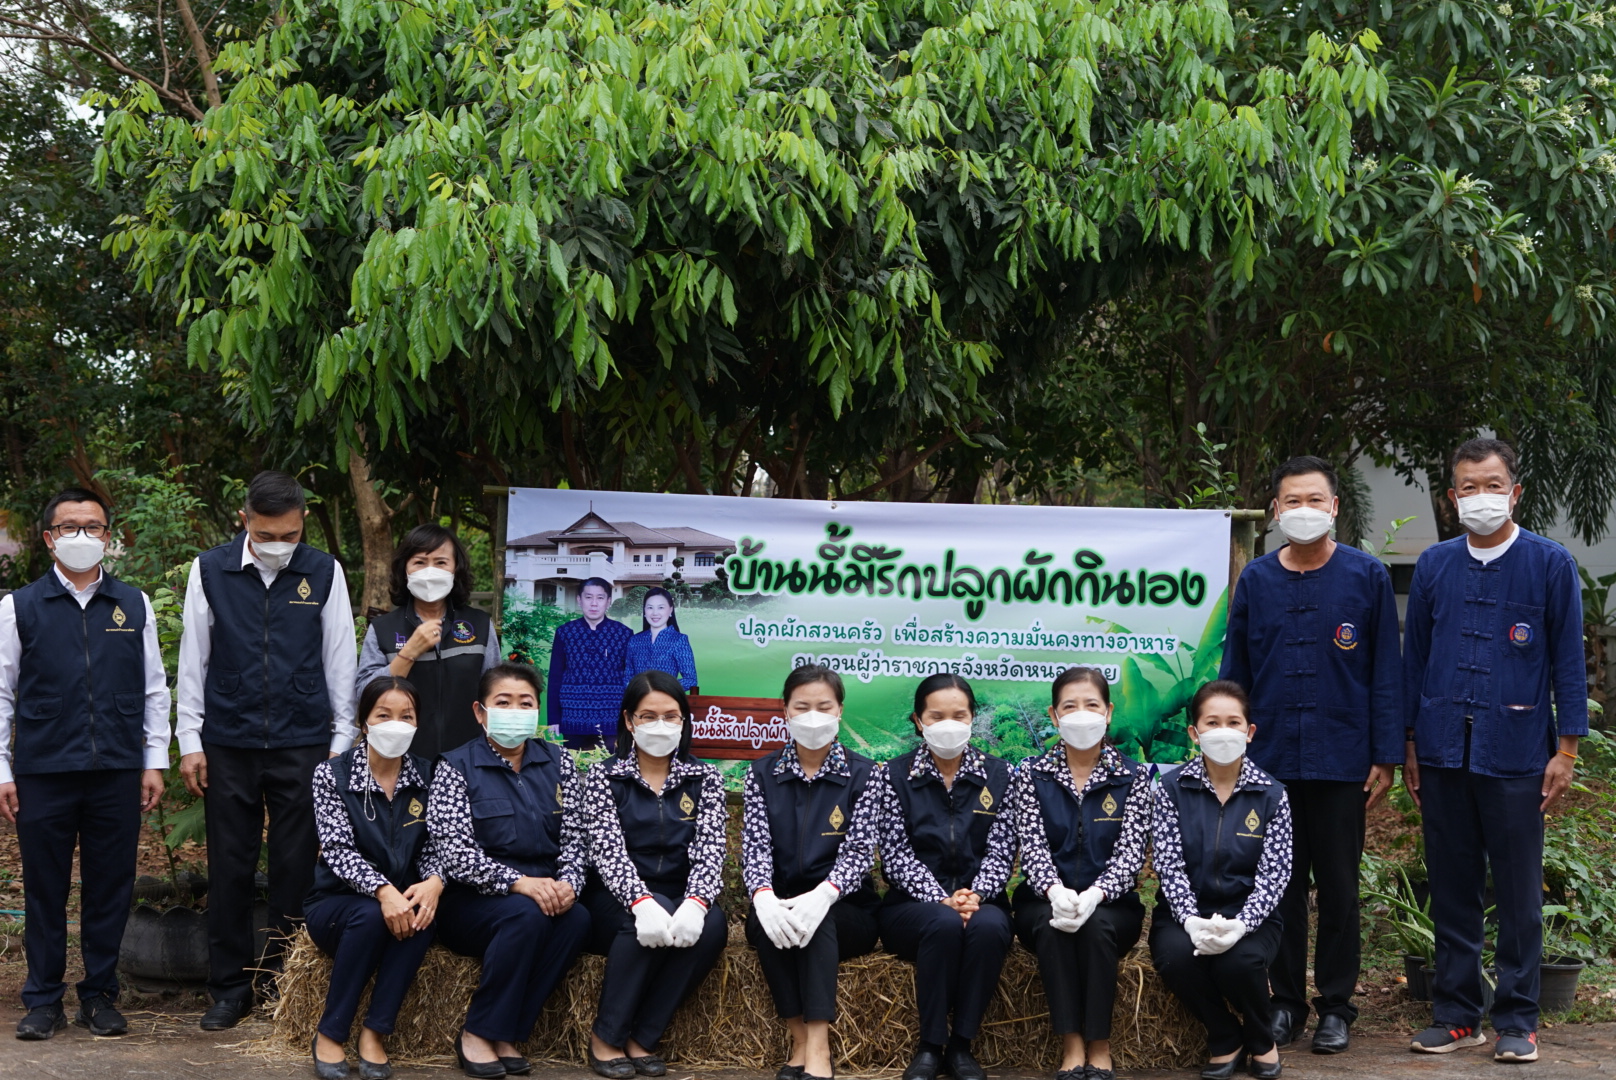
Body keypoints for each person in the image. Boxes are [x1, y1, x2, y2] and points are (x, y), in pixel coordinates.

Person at [1402, 438, 1586, 1064]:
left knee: (1517, 891)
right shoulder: (1434, 565)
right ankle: (1457, 1014)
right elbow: (1415, 660)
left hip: (1517, 752)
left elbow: (1567, 660)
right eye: (1468, 488)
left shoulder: (1549, 563)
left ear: (1515, 490)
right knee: (1451, 887)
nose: (1481, 497)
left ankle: (1518, 1018)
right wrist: (1408, 740)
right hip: (1443, 749)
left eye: (1493, 484)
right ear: (1453, 497)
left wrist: (1565, 749)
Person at [1218, 455, 1403, 1054]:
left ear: (1334, 508)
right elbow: (1235, 673)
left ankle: (1337, 1006)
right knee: (1280, 887)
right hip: (1269, 764)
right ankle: (1286, 1004)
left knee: (1341, 888)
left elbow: (1385, 673)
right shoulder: (1258, 581)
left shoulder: (1366, 578)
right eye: (1291, 502)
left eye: (1314, 501)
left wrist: (1385, 753)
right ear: (1276, 511)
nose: (1303, 512)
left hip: (1342, 759)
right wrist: (1230, 745)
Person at [176, 470, 359, 1029]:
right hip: (228, 741)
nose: (280, 544)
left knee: (294, 867)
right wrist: (190, 740)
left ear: (302, 522)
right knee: (228, 865)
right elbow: (193, 659)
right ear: (245, 519)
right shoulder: (210, 570)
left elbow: (340, 658)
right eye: (268, 533)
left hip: (304, 744)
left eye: (291, 534)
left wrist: (340, 742)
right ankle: (228, 988)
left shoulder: (324, 571)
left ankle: (283, 980)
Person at [0, 489, 170, 1040]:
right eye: (70, 526)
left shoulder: (133, 604)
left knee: (110, 885)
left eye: (93, 527)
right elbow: (1, 694)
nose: (82, 536)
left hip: (116, 770)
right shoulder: (18, 607)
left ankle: (99, 995)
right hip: (43, 771)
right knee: (45, 888)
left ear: (108, 538)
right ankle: (43, 999)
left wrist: (154, 760)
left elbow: (154, 690)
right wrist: (2, 770)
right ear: (49, 538)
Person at [426, 662, 592, 1078]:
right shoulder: (455, 766)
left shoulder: (561, 763)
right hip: (473, 901)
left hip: (544, 889)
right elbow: (454, 853)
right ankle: (478, 1032)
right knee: (525, 915)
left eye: (526, 703)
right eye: (503, 702)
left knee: (577, 918)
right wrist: (518, 883)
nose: (515, 711)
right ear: (480, 712)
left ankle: (509, 1032)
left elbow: (578, 837)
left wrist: (569, 882)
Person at [578, 671, 728, 1079]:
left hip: (681, 892)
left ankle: (643, 1037)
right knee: (653, 910)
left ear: (684, 721)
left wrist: (696, 903)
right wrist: (640, 901)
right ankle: (606, 1037)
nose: (660, 725)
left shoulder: (705, 778)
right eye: (648, 716)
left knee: (713, 924)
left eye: (670, 716)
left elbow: (711, 852)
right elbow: (607, 852)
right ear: (629, 721)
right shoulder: (604, 778)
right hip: (615, 899)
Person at [873, 673, 1017, 1080]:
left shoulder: (1000, 775)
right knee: (942, 922)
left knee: (989, 929)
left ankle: (961, 1045)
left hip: (983, 903)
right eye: (936, 715)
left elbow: (1003, 848)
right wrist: (942, 898)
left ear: (973, 718)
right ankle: (930, 1045)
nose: (948, 724)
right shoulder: (895, 776)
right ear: (919, 721)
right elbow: (896, 854)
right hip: (913, 908)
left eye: (959, 714)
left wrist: (976, 895)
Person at [741, 665, 882, 1080]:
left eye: (824, 706)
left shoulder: (864, 774)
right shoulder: (762, 773)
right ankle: (797, 1036)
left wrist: (825, 893)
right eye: (802, 707)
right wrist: (763, 896)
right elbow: (755, 846)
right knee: (774, 924)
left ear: (840, 711)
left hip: (846, 909)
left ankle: (818, 1046)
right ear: (785, 711)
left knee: (816, 921)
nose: (813, 716)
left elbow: (859, 851)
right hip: (780, 897)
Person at [1010, 667, 1151, 1080]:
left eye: (1091, 705)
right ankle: (1072, 1044)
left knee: (1095, 929)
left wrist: (1096, 894)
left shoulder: (1134, 776)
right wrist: (1054, 891)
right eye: (1070, 706)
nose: (1081, 714)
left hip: (1112, 906)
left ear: (1108, 712)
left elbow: (1130, 855)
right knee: (1055, 929)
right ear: (1054, 716)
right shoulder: (1031, 775)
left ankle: (1100, 1044)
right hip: (1043, 901)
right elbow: (1032, 846)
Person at [1150, 680, 1292, 1080]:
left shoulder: (1272, 794)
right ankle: (1225, 1036)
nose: (1223, 731)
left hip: (1249, 913)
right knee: (1177, 958)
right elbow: (1169, 863)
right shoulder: (1171, 788)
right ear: (1195, 733)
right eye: (1212, 722)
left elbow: (1275, 874)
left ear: (1249, 732)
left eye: (1234, 722)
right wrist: (1192, 920)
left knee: (1239, 962)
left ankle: (1262, 1040)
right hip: (1185, 912)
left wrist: (1242, 923)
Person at [306, 676, 444, 1080]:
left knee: (422, 917)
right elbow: (336, 851)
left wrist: (434, 880)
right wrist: (384, 891)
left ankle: (374, 1032)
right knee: (369, 916)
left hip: (405, 897)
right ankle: (331, 1032)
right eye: (384, 715)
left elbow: (440, 842)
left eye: (407, 716)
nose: (395, 724)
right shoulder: (331, 775)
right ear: (365, 722)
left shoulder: (430, 775)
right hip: (337, 904)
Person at [356, 524, 502, 760]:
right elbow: (363, 695)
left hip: (469, 758)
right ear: (405, 570)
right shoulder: (383, 628)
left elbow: (495, 696)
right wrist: (408, 653)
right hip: (400, 758)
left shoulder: (480, 625)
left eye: (441, 562)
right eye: (420, 562)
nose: (430, 571)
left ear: (456, 569)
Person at [546, 577, 632, 750]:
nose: (594, 603)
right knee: (574, 771)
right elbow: (555, 677)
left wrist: (629, 718)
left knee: (610, 772)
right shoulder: (565, 632)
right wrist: (554, 719)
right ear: (579, 600)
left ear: (608, 602)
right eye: (588, 597)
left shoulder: (624, 633)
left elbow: (630, 678)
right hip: (573, 718)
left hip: (611, 719)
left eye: (600, 598)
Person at [622, 587, 698, 693]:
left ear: (670, 610)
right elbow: (627, 678)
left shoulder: (679, 640)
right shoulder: (634, 641)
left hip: (666, 702)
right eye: (650, 608)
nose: (655, 613)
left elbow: (690, 680)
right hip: (638, 702)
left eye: (661, 607)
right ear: (644, 611)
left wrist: (661, 689)